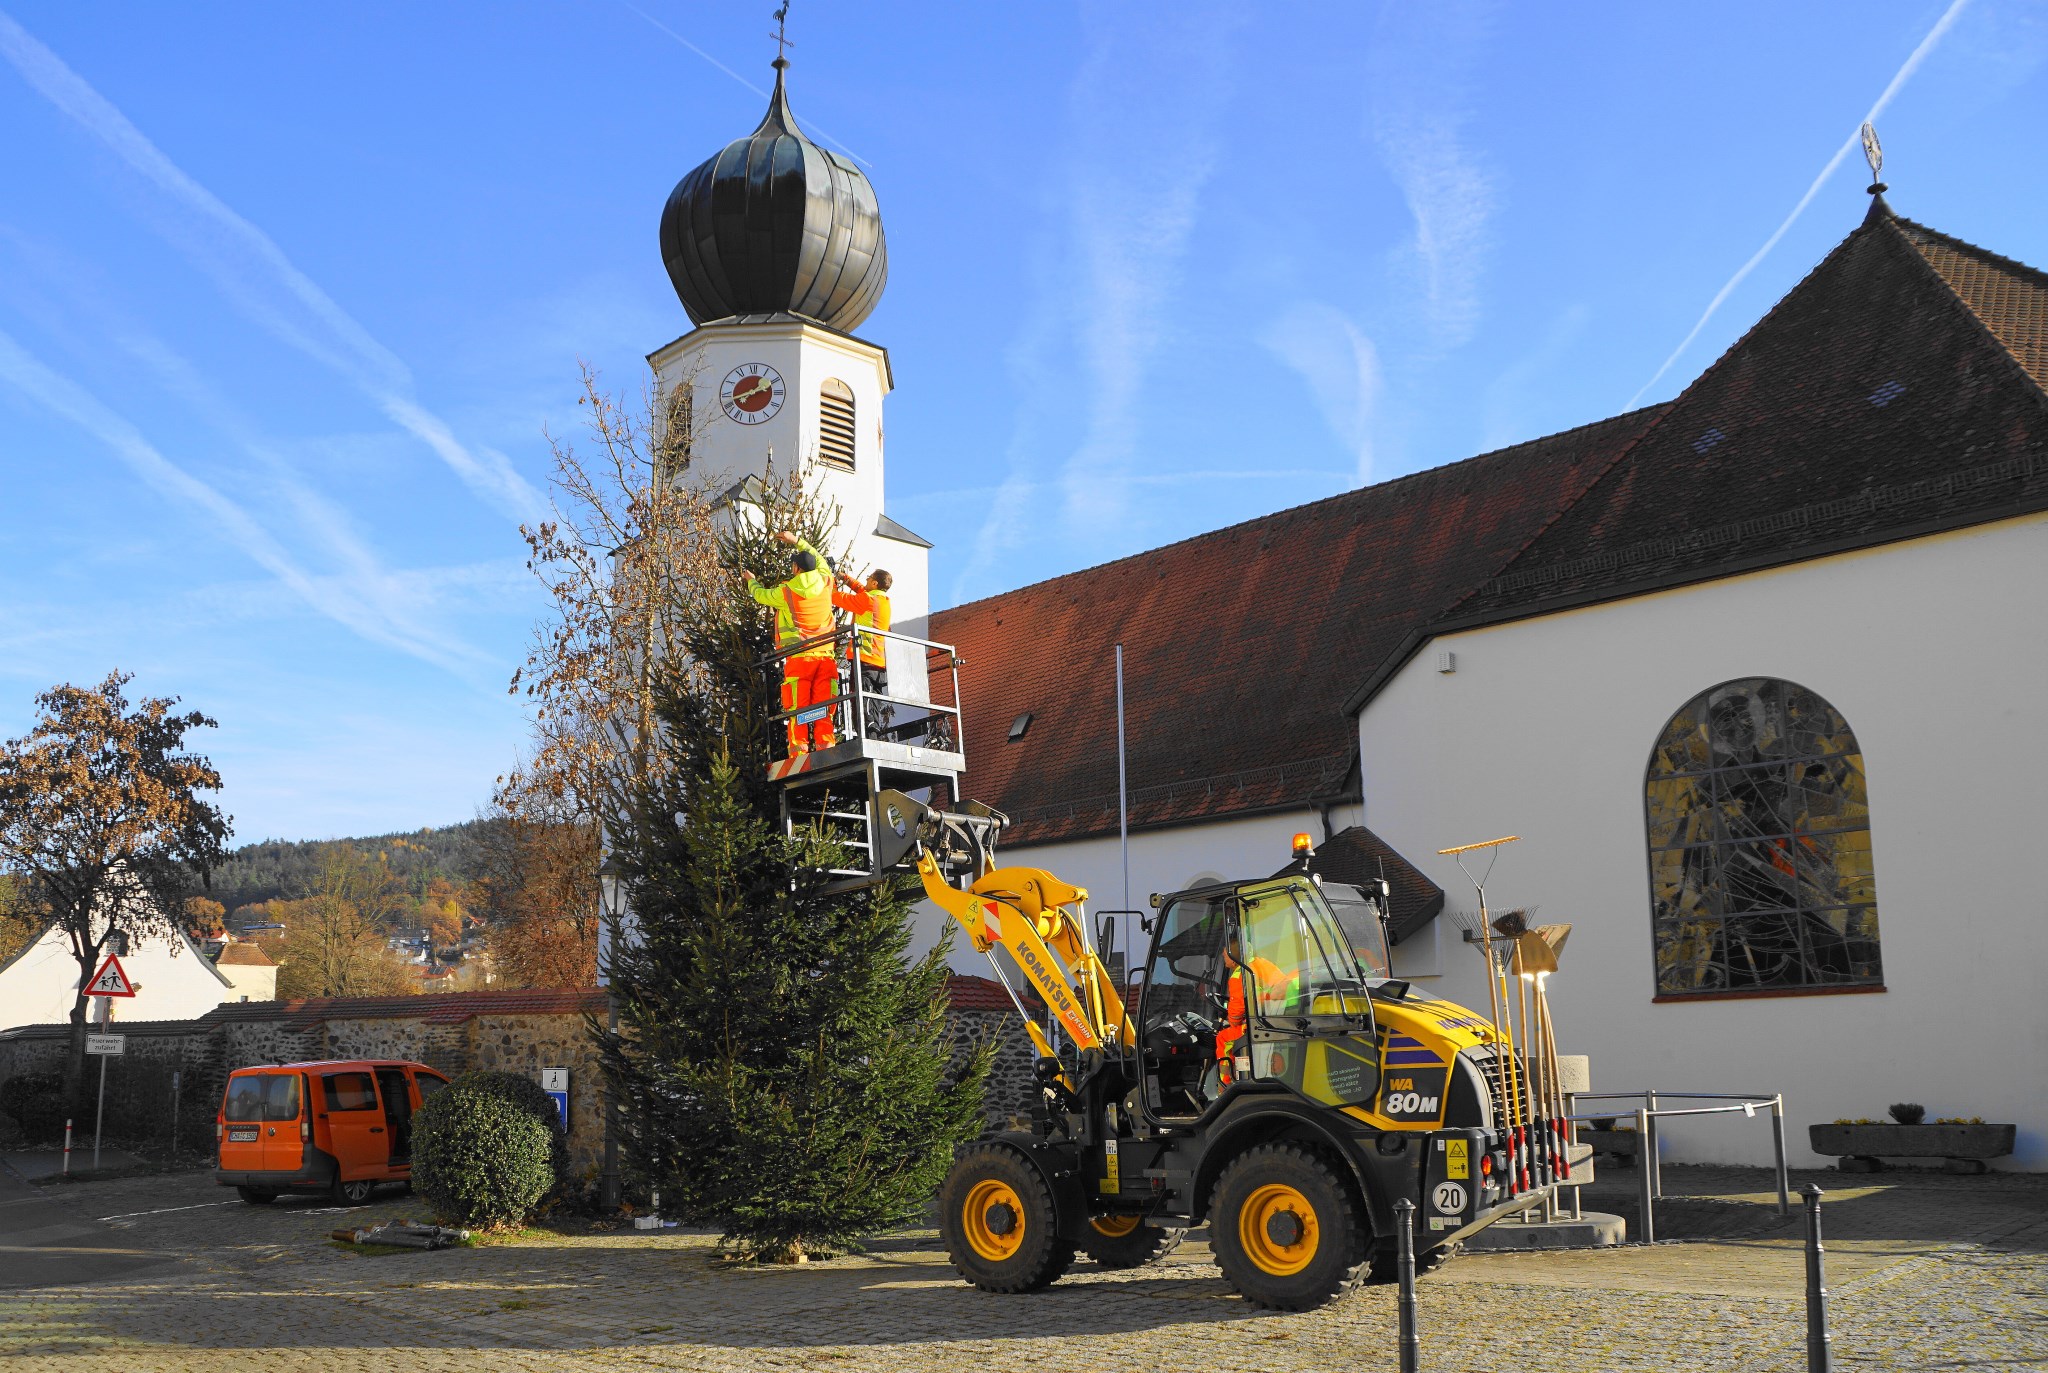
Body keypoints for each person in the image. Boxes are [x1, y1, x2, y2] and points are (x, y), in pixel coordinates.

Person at [745, 530, 838, 756]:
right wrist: (797, 541)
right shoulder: (827, 580)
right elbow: (819, 558)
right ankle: (827, 748)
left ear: (796, 569)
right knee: (824, 706)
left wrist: (751, 582)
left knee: (798, 707)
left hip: (800, 659)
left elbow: (762, 596)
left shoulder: (786, 591)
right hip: (826, 658)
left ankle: (799, 751)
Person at [1213, 931, 1291, 1087]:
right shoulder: (1260, 963)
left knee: (1223, 1038)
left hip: (1258, 1023)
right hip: (1276, 1015)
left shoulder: (1238, 976)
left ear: (1234, 956)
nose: (1223, 958)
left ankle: (1226, 1085)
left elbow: (1237, 1011)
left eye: (1226, 955)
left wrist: (1232, 1021)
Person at [832, 566, 894, 737]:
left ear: (874, 583)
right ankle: (873, 736)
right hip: (878, 664)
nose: (866, 580)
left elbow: (837, 598)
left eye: (869, 578)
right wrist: (845, 578)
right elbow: (862, 590)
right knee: (872, 704)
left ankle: (868, 739)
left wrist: (832, 582)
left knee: (862, 705)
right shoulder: (882, 600)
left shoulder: (867, 600)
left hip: (864, 661)